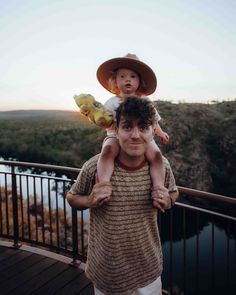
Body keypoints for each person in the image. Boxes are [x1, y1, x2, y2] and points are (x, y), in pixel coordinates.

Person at [66, 97, 179, 295]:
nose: (135, 135)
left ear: (153, 131)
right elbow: (72, 198)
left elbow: (174, 193)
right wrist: (90, 200)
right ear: (115, 130)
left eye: (143, 127)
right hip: (108, 272)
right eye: (127, 127)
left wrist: (168, 200)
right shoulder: (94, 167)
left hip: (148, 269)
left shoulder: (162, 167)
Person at [96, 53, 169, 189]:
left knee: (156, 155)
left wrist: (160, 132)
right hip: (114, 135)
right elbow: (106, 121)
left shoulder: (145, 101)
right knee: (107, 151)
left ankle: (159, 186)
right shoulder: (111, 103)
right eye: (122, 76)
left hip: (141, 137)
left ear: (139, 81)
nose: (127, 80)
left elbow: (153, 120)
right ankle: (104, 183)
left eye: (132, 76)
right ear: (115, 81)